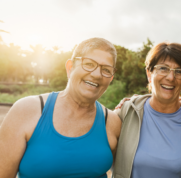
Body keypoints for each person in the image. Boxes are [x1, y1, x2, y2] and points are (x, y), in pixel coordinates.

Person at [0, 38, 121, 178]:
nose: (96, 74)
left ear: (111, 78)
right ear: (70, 68)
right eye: (89, 64)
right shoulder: (25, 111)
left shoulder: (113, 122)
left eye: (106, 70)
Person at [112, 42, 181, 178]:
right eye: (163, 68)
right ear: (149, 74)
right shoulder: (126, 112)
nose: (170, 77)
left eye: (179, 72)